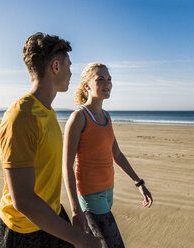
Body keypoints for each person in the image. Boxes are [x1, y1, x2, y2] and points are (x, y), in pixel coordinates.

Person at [0, 33, 101, 248]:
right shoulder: (21, 117)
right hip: (22, 231)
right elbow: (23, 200)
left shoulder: (48, 112)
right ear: (55, 66)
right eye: (68, 65)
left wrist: (74, 212)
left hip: (51, 216)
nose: (71, 72)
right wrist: (80, 239)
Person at [63, 62, 153, 248]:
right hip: (90, 195)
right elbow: (67, 167)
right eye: (100, 79)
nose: (107, 83)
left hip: (108, 191)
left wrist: (139, 183)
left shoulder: (107, 117)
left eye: (109, 79)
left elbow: (117, 155)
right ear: (87, 85)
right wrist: (76, 210)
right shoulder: (78, 118)